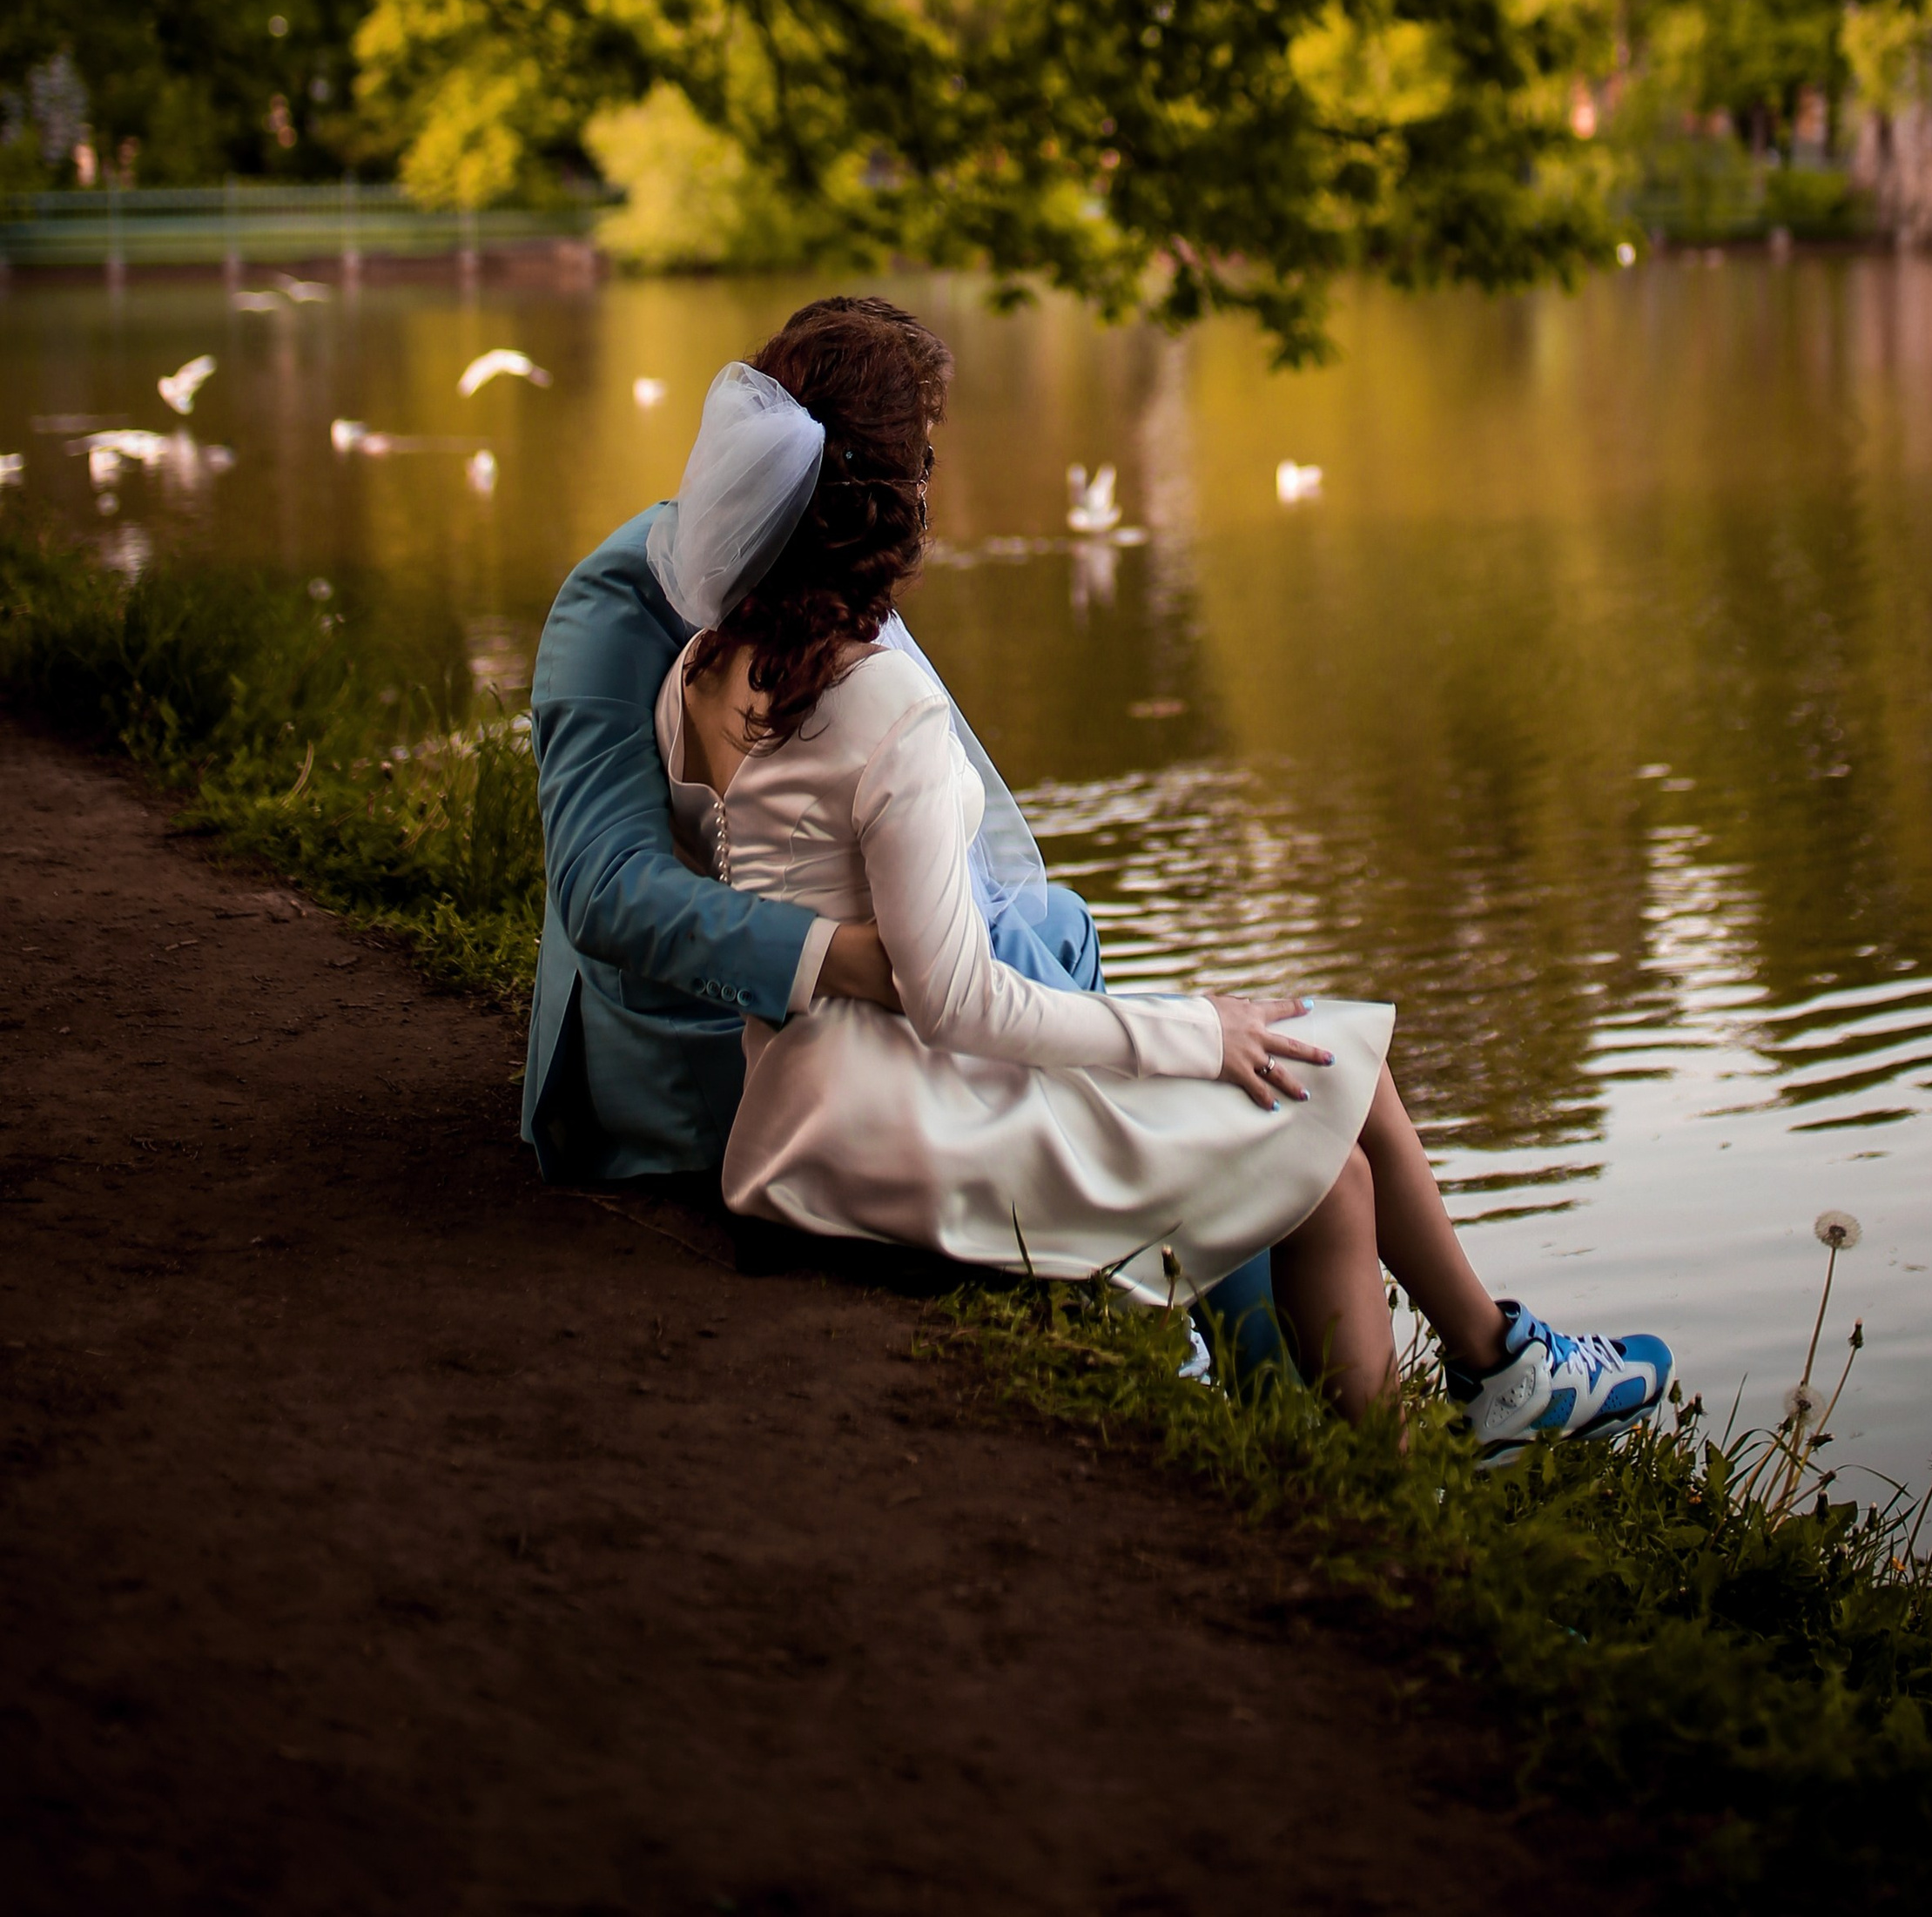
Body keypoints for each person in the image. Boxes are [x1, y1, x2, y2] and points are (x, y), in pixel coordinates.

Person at [529, 293, 1673, 1448]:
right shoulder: (865, 690)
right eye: (927, 460)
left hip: (801, 1111)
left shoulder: (702, 672)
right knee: (1316, 1090)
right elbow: (944, 994)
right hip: (894, 1121)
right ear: (894, 492)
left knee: (1306, 1090)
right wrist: (1191, 1028)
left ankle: (1450, 1392)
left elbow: (801, 869)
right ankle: (1422, 1457)